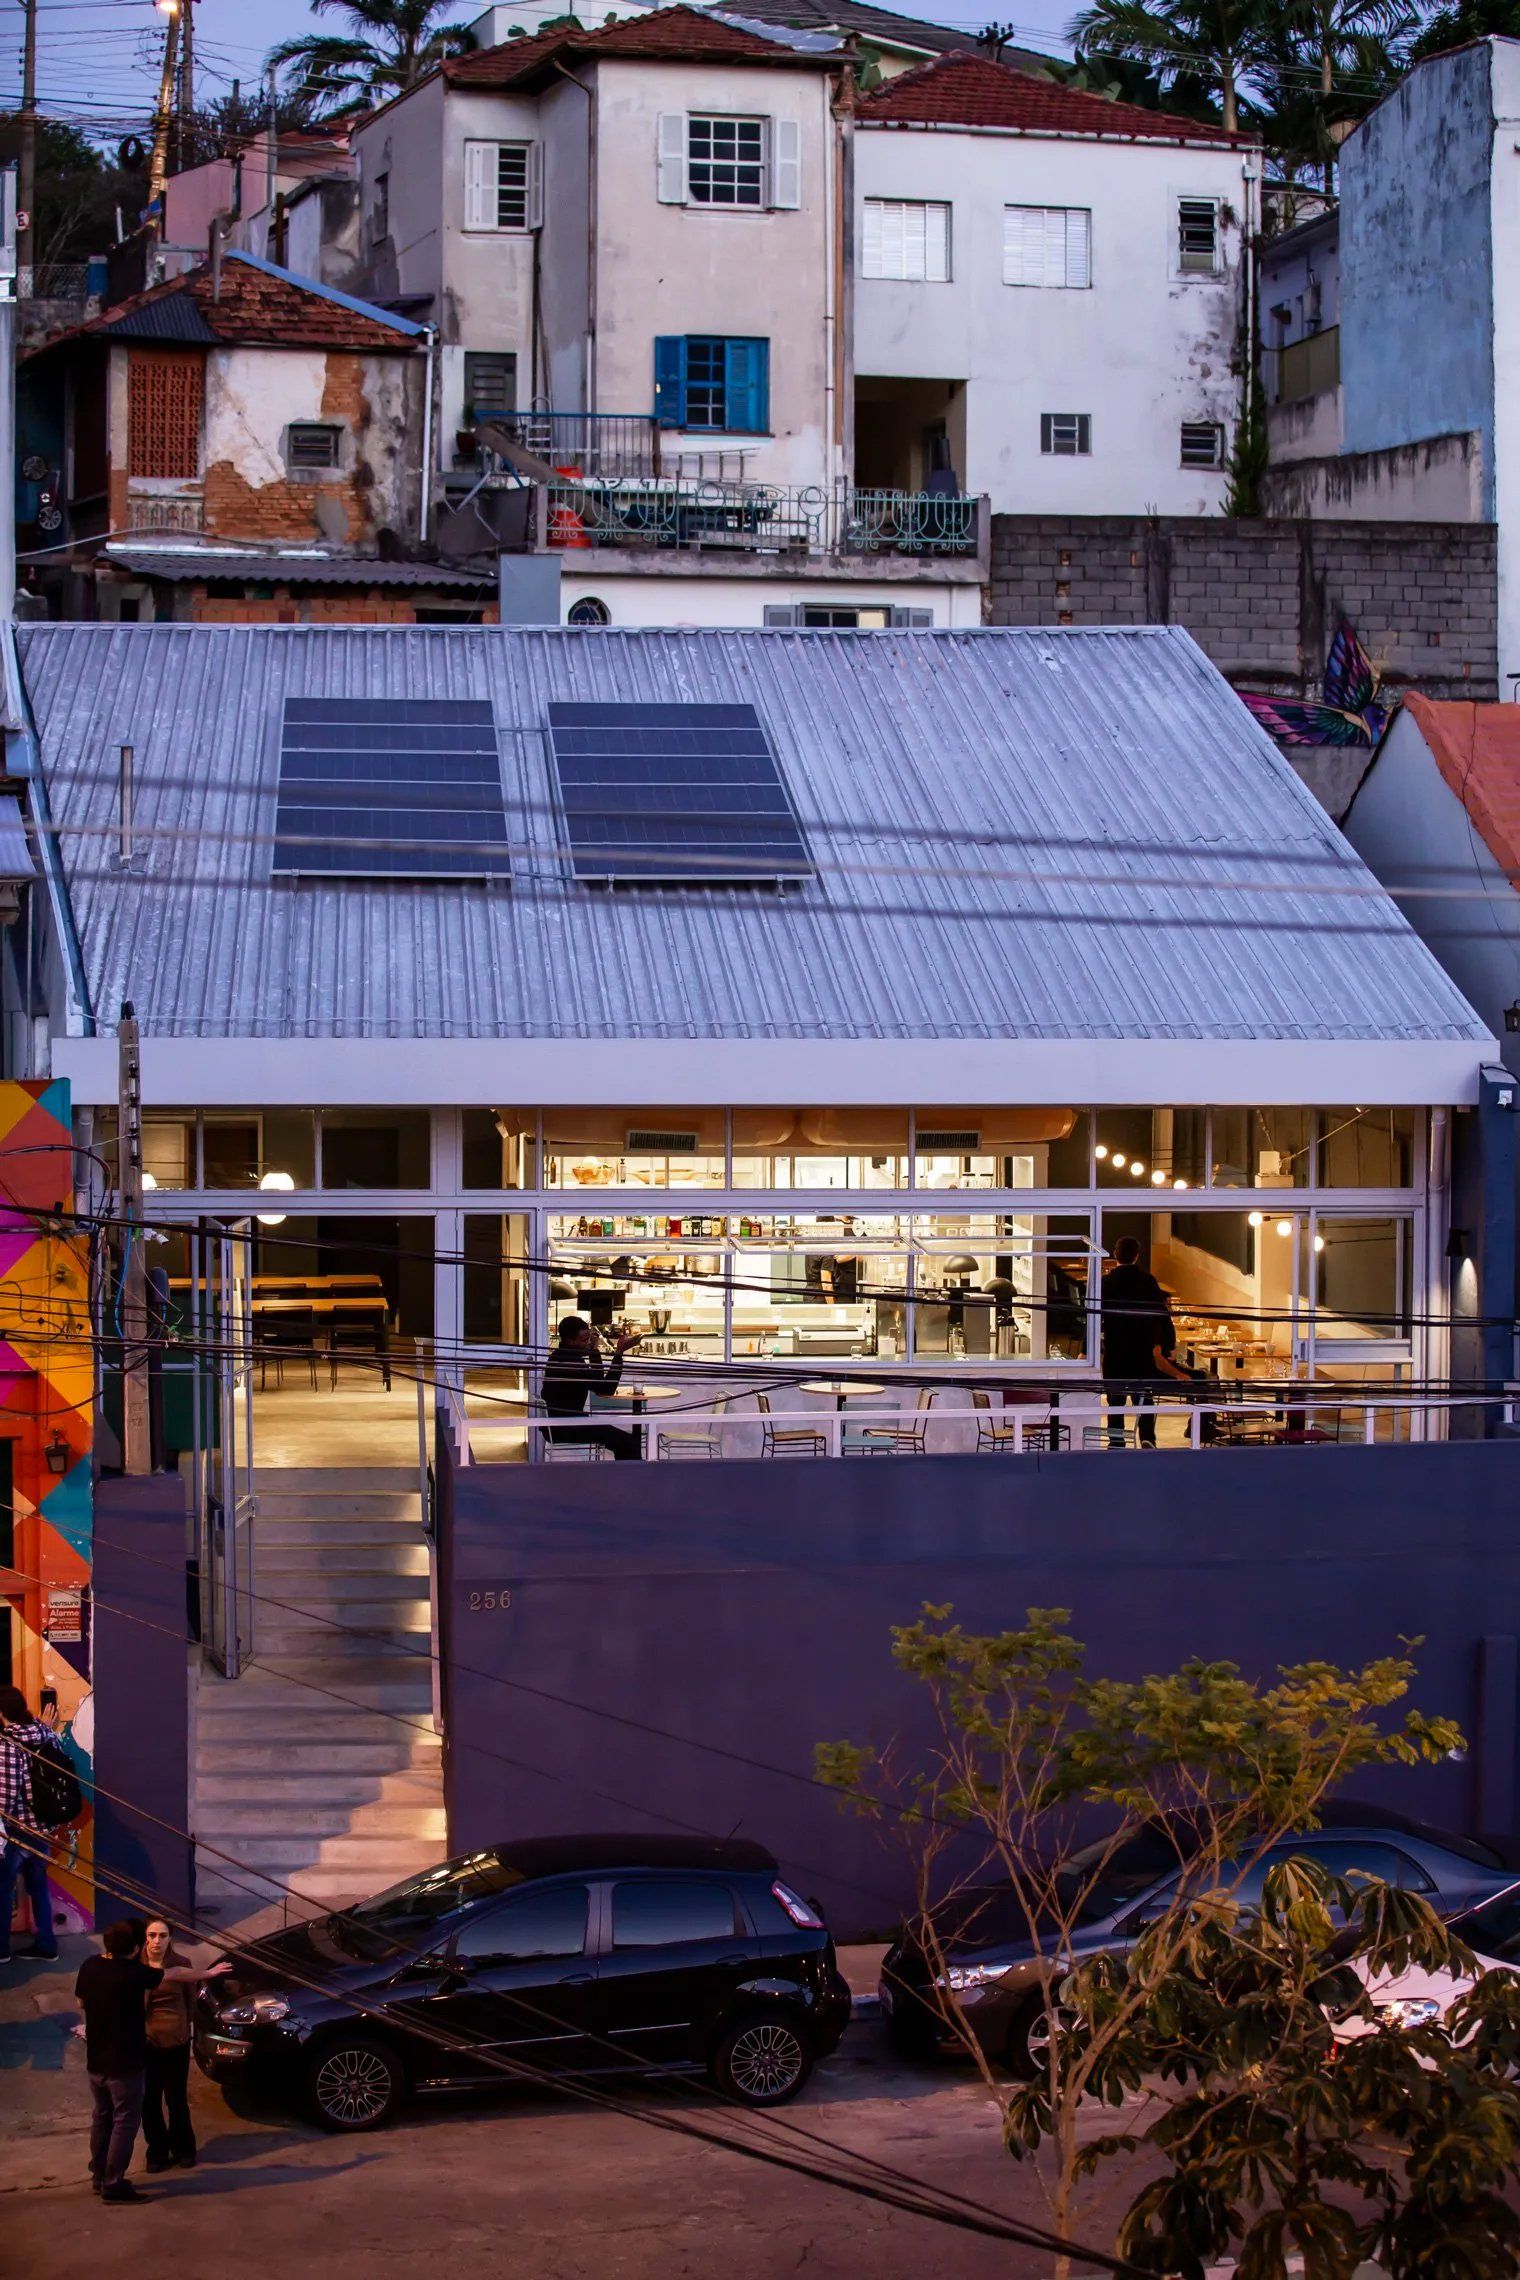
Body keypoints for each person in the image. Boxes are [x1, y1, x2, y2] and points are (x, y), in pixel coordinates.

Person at [75, 1920, 164, 2203]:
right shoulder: (136, 1973)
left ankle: (98, 2174)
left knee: (102, 2117)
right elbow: (162, 1973)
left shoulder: (90, 1965)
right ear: (137, 1947)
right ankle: (113, 2183)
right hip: (125, 2062)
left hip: (96, 2060)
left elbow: (80, 2002)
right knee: (125, 2121)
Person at [141, 1919, 225, 2172]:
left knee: (176, 2097)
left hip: (176, 2041)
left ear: (170, 1938)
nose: (157, 1941)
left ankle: (184, 2149)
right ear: (145, 1938)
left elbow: (190, 2004)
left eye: (162, 1935)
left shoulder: (181, 1965)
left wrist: (184, 2030)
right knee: (149, 2099)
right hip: (146, 2043)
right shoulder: (137, 1967)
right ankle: (157, 2151)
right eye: (152, 1935)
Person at [0, 1683, 62, 1963]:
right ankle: (47, 1945)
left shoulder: (7, 1744)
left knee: (2, 1889)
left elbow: (6, 1795)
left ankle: (1, 1949)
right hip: (43, 1827)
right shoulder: (44, 1733)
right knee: (39, 1886)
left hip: (17, 1830)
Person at [1099, 1237, 1170, 1448]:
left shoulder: (1106, 1282)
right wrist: (1167, 1345)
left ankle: (1116, 1441)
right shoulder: (1148, 1280)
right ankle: (1148, 1438)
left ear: (1114, 1254)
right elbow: (1162, 1314)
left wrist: (1086, 1349)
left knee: (1115, 1401)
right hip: (1141, 1353)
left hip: (1115, 1352)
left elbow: (1093, 1317)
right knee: (1145, 1398)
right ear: (1137, 1255)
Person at [541, 1316, 642, 1460]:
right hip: (565, 1426)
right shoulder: (571, 1363)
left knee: (626, 1442)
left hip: (565, 1423)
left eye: (589, 1338)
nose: (588, 1342)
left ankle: (628, 1478)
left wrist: (594, 1351)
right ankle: (632, 1480)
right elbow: (605, 1389)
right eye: (584, 1340)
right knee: (627, 1443)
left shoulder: (562, 1356)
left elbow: (598, 1381)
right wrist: (619, 1353)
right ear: (570, 1341)